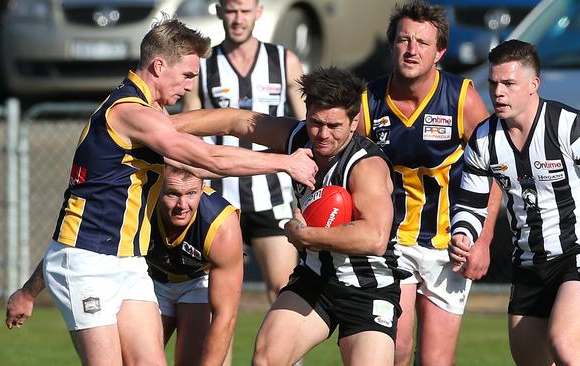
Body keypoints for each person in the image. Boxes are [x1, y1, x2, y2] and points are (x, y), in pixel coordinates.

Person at [30, 18, 317, 365]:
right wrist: (285, 162)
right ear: (159, 65)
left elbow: (219, 137)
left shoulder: (152, 112)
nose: (190, 85)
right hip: (88, 261)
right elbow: (209, 157)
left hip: (128, 263)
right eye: (187, 75)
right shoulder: (130, 112)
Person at [174, 66, 408, 366]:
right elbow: (234, 121)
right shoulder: (298, 138)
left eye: (334, 125)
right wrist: (161, 126)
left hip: (367, 289)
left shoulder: (366, 166)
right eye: (315, 123)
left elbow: (374, 238)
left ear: (354, 122)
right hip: (315, 280)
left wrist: (304, 235)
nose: (323, 134)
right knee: (267, 359)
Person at [449, 39, 580, 365]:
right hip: (528, 263)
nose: (498, 92)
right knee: (531, 360)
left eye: (509, 83)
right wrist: (464, 234)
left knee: (564, 343)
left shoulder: (573, 127)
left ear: (534, 84)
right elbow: (471, 203)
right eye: (493, 83)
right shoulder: (483, 139)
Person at [359, 2, 501, 365]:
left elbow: (496, 170)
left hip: (448, 245)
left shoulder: (462, 97)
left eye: (423, 42)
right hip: (391, 242)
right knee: (397, 348)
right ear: (391, 45)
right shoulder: (368, 101)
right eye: (404, 40)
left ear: (439, 52)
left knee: (436, 360)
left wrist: (483, 241)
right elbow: (348, 170)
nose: (411, 49)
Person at [6, 165, 243, 365]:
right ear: (158, 188)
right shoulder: (135, 207)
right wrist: (28, 293)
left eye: (191, 193)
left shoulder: (220, 225)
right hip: (151, 281)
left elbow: (225, 315)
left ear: (203, 188)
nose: (183, 204)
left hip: (196, 284)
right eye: (172, 194)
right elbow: (74, 246)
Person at [182, 0, 306, 306]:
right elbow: (187, 129)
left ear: (258, 12)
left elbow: (306, 127)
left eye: (245, 11)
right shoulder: (203, 66)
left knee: (284, 290)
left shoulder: (283, 60)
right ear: (220, 11)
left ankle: (283, 356)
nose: (238, 19)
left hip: (272, 195)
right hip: (218, 195)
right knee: (218, 301)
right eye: (232, 10)